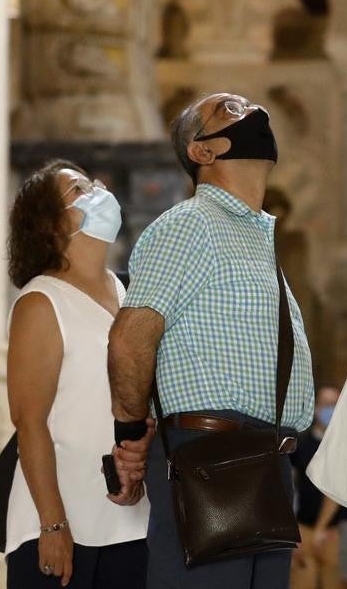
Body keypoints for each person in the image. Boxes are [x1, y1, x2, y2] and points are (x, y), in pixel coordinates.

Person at [105, 93, 316, 589]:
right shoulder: (188, 225)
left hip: (264, 463)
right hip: (210, 461)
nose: (254, 113)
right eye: (230, 110)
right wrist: (130, 435)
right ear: (202, 151)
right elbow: (130, 341)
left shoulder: (253, 237)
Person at [4, 160, 152, 588]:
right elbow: (29, 422)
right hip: (59, 524)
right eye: (79, 189)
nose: (98, 190)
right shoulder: (41, 302)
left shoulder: (128, 293)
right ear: (50, 225)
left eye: (93, 182)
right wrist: (52, 525)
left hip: (130, 522)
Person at [290, 387, 347, 589]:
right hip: (303, 529)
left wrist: (323, 529)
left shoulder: (345, 445)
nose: (329, 409)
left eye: (334, 404)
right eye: (325, 404)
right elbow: (289, 487)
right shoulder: (300, 443)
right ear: (316, 408)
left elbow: (336, 490)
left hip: (335, 531)